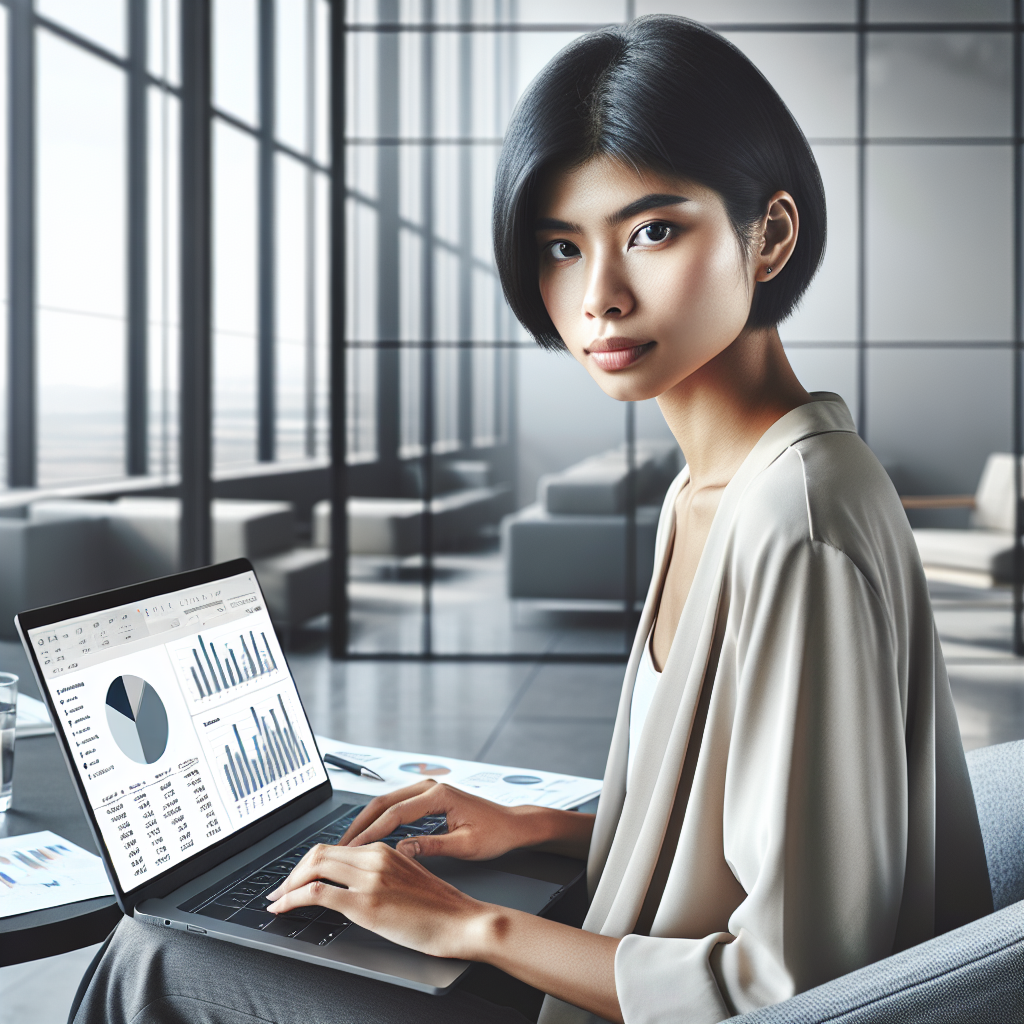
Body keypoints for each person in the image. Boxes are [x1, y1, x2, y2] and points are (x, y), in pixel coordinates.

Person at [73, 15, 992, 1024]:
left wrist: (471, 926)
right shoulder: (715, 488)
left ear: (768, 232)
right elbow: (726, 841)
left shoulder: (794, 522)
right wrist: (535, 828)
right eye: (561, 246)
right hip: (622, 951)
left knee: (152, 951)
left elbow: (796, 982)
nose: (597, 296)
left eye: (651, 230)